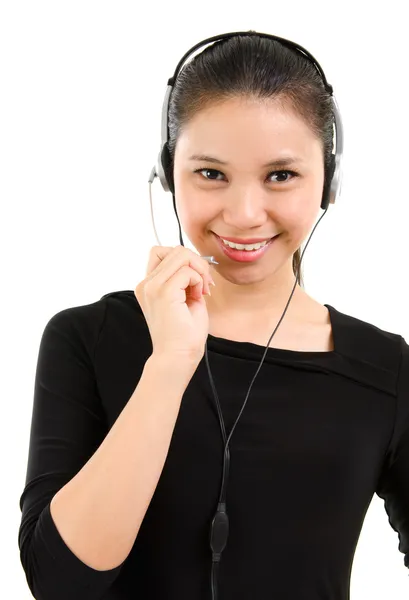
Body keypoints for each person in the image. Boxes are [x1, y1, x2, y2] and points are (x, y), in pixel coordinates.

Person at [18, 32, 409, 600]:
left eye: (280, 175)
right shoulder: (88, 339)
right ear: (167, 173)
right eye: (210, 174)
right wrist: (170, 364)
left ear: (330, 180)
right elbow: (61, 583)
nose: (245, 214)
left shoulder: (384, 369)